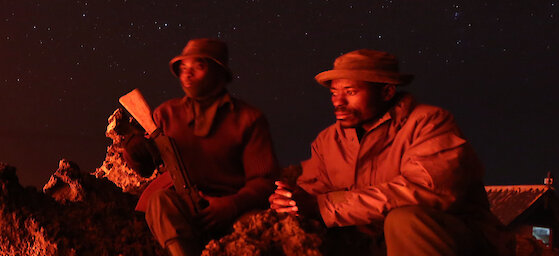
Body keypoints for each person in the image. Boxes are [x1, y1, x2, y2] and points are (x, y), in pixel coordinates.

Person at [269, 49, 497, 255]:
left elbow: (425, 190)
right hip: (372, 245)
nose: (338, 102)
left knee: (404, 220)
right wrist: (291, 200)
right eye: (334, 93)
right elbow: (315, 194)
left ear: (387, 92)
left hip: (451, 239)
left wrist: (325, 206)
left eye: (350, 91)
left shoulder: (429, 123)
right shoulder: (328, 140)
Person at [123, 38, 280, 256]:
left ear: (218, 71)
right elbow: (146, 167)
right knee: (160, 201)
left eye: (198, 67)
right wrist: (134, 149)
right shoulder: (167, 114)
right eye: (183, 68)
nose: (187, 74)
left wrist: (231, 205)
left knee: (259, 232)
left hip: (237, 209)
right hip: (186, 206)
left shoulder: (248, 119)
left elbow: (264, 181)